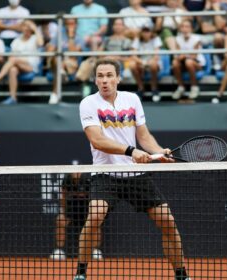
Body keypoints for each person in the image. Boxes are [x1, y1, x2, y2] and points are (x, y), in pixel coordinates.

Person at [74, 58, 190, 280]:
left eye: (109, 75)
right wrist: (131, 151)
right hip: (105, 175)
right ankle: (81, 273)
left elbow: (144, 136)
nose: (105, 80)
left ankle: (181, 274)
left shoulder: (132, 99)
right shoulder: (88, 103)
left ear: (118, 78)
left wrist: (159, 152)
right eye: (100, 76)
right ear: (95, 79)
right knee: (95, 215)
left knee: (167, 221)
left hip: (136, 176)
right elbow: (98, 140)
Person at [49, 167, 103, 261]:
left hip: (86, 211)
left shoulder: (87, 179)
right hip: (71, 210)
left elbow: (94, 195)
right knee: (60, 221)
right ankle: (59, 250)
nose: (76, 174)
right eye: (74, 172)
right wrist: (63, 211)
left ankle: (95, 250)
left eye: (78, 172)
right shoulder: (67, 179)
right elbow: (63, 195)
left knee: (96, 222)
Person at [0, 20, 44, 104]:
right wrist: (13, 60)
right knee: (13, 69)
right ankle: (13, 97)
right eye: (25, 26)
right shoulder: (17, 40)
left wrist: (35, 29)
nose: (26, 28)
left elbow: (41, 43)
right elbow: (11, 56)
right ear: (21, 28)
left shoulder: (35, 38)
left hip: (31, 66)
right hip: (17, 64)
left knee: (14, 60)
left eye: (29, 26)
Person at [46, 18, 83, 104]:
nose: (70, 26)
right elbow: (50, 51)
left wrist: (70, 37)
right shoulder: (59, 36)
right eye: (68, 24)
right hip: (57, 64)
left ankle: (55, 94)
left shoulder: (79, 38)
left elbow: (73, 55)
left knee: (61, 62)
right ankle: (61, 72)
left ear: (76, 25)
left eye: (72, 24)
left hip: (71, 66)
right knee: (56, 58)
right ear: (65, 25)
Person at [172, 19, 205, 100]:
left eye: (187, 26)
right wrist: (179, 57)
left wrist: (184, 56)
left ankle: (194, 87)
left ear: (191, 29)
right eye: (182, 26)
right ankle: (181, 87)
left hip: (197, 64)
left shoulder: (197, 38)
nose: (184, 29)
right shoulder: (177, 39)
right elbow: (177, 55)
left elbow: (194, 56)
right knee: (174, 63)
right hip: (183, 63)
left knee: (189, 62)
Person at [129, 23, 163, 102]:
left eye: (148, 31)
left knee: (153, 65)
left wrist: (147, 63)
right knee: (132, 65)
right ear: (141, 32)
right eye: (144, 31)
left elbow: (156, 56)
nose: (146, 33)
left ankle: (154, 88)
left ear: (151, 32)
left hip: (153, 62)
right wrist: (143, 63)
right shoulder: (137, 40)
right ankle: (141, 88)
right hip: (141, 63)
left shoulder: (156, 39)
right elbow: (133, 55)